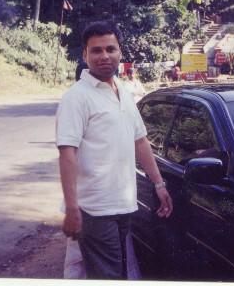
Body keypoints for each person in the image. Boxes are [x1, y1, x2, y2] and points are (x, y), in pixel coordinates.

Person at [56, 20, 173, 279]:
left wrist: (159, 184)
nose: (104, 56)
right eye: (96, 50)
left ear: (120, 52)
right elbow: (67, 154)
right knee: (108, 276)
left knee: (117, 272)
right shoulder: (76, 97)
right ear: (85, 55)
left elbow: (140, 141)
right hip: (95, 209)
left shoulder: (123, 90)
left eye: (110, 49)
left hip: (123, 203)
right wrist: (72, 208)